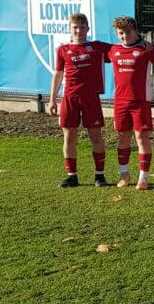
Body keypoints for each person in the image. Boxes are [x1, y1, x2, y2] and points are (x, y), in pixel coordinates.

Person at [48, 13, 112, 188]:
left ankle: (99, 176)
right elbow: (58, 74)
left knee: (96, 137)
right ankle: (72, 176)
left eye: (82, 27)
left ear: (88, 29)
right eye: (75, 27)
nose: (79, 30)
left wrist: (142, 44)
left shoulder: (97, 47)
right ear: (70, 29)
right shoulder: (63, 50)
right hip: (70, 98)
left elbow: (121, 49)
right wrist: (52, 99)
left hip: (91, 98)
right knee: (69, 138)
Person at [107, 16, 154, 190]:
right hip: (120, 101)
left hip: (141, 101)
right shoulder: (113, 50)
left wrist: (153, 47)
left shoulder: (145, 49)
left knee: (141, 138)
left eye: (128, 32)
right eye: (121, 33)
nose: (124, 36)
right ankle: (124, 174)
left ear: (136, 31)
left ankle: (143, 178)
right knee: (123, 136)